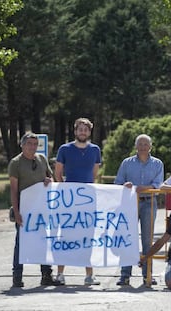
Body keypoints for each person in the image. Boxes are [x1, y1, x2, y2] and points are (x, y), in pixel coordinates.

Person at [54, 117, 102, 286]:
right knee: (66, 235)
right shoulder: (64, 149)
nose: (83, 132)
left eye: (86, 130)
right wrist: (67, 191)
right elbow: (58, 173)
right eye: (80, 129)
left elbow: (93, 174)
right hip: (68, 200)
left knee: (87, 236)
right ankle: (60, 274)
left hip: (88, 200)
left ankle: (89, 275)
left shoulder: (95, 150)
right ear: (75, 131)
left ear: (89, 132)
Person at [9, 132, 61, 287]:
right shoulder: (15, 163)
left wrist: (48, 180)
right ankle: (17, 277)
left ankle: (46, 275)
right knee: (21, 243)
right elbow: (13, 189)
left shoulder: (42, 159)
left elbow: (51, 179)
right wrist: (16, 212)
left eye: (34, 144)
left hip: (43, 209)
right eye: (29, 144)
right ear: (22, 145)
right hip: (25, 210)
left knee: (44, 242)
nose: (32, 147)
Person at [114, 134, 164, 286]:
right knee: (128, 238)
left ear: (150, 146)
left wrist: (144, 188)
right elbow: (118, 182)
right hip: (130, 204)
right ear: (136, 146)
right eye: (140, 144)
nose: (143, 147)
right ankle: (124, 275)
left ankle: (147, 274)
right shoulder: (127, 163)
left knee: (148, 240)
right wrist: (126, 186)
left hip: (149, 203)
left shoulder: (157, 163)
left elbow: (158, 184)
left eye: (145, 144)